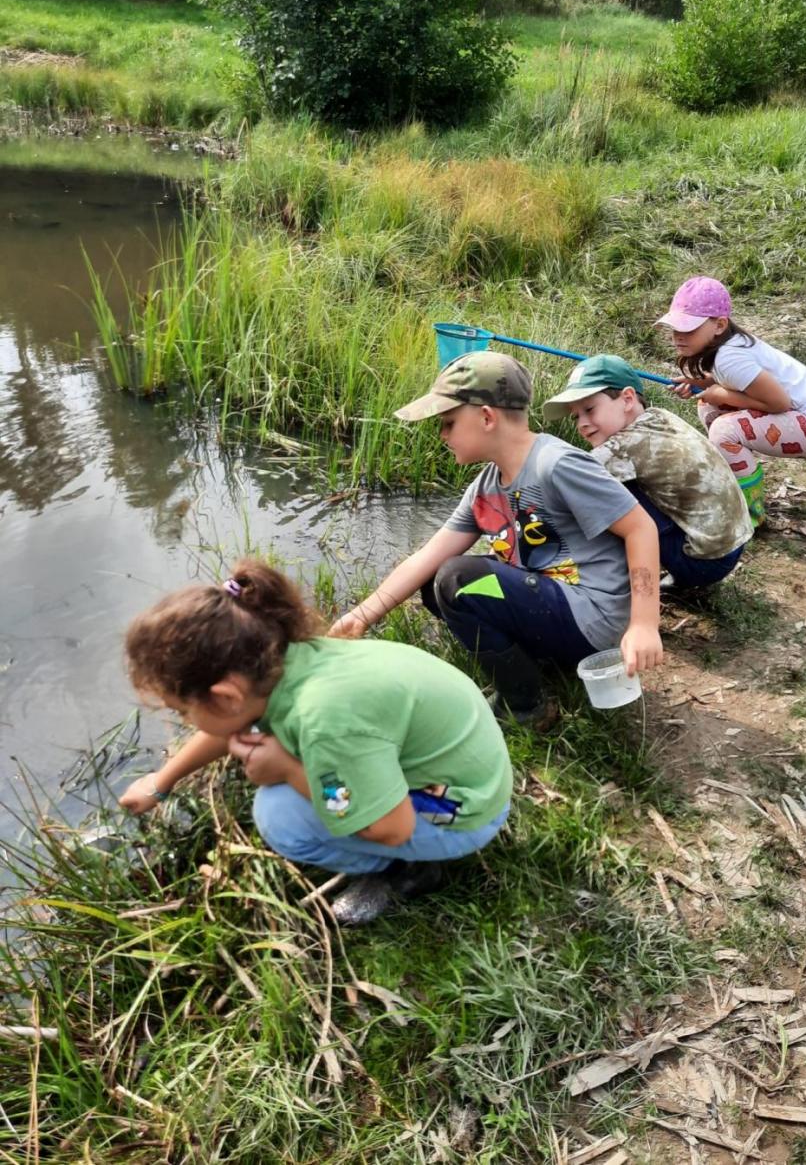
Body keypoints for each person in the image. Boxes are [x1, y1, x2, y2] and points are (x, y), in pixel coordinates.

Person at [119, 558, 513, 926]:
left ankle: (408, 871)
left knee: (280, 817)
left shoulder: (324, 720)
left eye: (181, 711)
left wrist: (290, 772)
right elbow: (226, 728)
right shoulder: (284, 661)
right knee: (298, 783)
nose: (185, 720)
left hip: (468, 809)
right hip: (464, 766)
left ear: (225, 696)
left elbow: (390, 827)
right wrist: (160, 782)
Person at [328, 351, 664, 726]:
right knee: (436, 579)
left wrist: (644, 624)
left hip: (592, 617)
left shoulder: (556, 464)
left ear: (487, 417)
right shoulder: (486, 486)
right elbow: (426, 556)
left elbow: (640, 528)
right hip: (551, 604)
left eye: (448, 422)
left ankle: (527, 706)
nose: (441, 435)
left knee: (458, 579)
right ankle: (529, 664)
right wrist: (359, 617)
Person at [542, 355, 752, 589]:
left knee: (596, 492)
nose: (582, 423)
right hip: (733, 542)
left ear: (628, 399)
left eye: (589, 409)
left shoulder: (626, 446)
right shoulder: (658, 417)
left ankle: (609, 579)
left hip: (703, 562)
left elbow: (568, 476)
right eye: (575, 416)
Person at [657, 276, 806, 526]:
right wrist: (702, 384)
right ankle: (735, 476)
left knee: (724, 430)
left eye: (689, 329)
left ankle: (749, 515)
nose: (678, 336)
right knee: (709, 406)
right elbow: (735, 382)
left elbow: (778, 403)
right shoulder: (729, 347)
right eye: (676, 328)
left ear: (719, 325)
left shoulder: (729, 358)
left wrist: (718, 393)